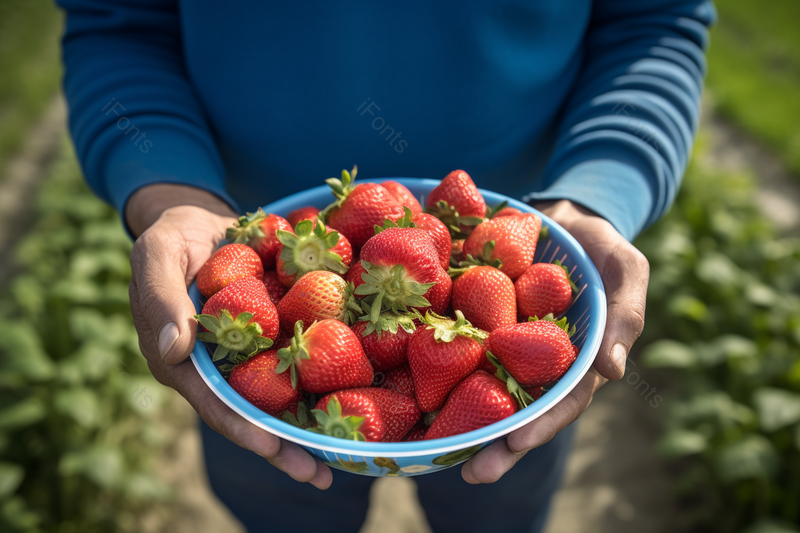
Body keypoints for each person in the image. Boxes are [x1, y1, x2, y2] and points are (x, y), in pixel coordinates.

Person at [56, 1, 714, 531]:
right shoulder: (280, 327)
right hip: (247, 250)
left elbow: (652, 22)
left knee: (497, 506)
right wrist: (172, 193)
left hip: (528, 229)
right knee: (282, 499)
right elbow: (120, 26)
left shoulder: (494, 319)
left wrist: (596, 193)